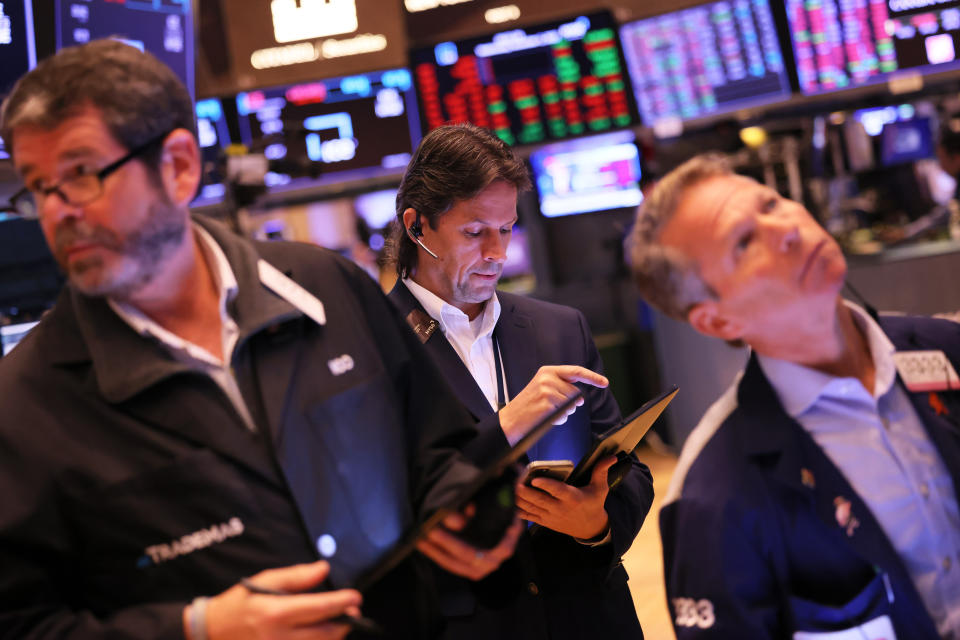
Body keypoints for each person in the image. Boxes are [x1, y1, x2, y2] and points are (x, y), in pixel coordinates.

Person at [0, 40, 527, 640]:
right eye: (38, 187)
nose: (56, 211)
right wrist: (197, 630)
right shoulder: (25, 406)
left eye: (81, 174)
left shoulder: (328, 288)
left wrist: (461, 508)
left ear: (177, 167)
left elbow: (434, 452)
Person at [625, 152, 960, 639]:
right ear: (718, 320)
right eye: (743, 243)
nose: (785, 228)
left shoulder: (945, 349)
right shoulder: (715, 494)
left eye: (771, 203)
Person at [385, 123, 655, 640]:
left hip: (591, 618)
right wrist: (504, 430)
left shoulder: (561, 327)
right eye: (474, 232)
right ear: (417, 226)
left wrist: (594, 525)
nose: (497, 252)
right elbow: (382, 519)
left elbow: (631, 472)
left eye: (506, 229)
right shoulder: (371, 348)